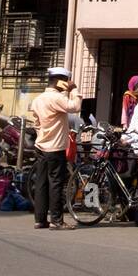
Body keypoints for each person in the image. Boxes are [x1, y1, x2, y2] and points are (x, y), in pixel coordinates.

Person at [29, 66, 81, 230]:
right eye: (66, 81)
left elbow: (36, 123)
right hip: (55, 147)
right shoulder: (56, 98)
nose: (67, 84)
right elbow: (75, 107)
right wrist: (74, 90)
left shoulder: (39, 99)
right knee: (56, 183)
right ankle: (57, 220)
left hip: (41, 146)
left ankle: (40, 220)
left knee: (41, 183)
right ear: (61, 82)